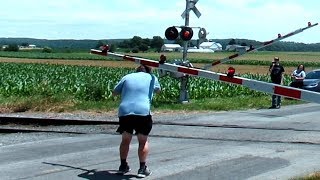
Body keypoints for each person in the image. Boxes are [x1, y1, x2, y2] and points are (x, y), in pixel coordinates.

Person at [112, 64, 161, 178]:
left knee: (125, 139)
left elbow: (115, 92)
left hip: (125, 111)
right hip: (142, 111)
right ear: (148, 71)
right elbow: (158, 90)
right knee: (143, 141)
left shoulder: (127, 77)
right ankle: (142, 168)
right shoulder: (152, 77)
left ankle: (123, 165)